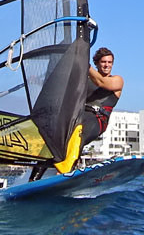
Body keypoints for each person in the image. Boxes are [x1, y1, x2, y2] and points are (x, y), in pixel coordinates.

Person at [27, 47, 122, 181]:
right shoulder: (85, 80)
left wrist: (85, 65)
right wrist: (36, 80)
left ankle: (65, 173)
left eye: (109, 62)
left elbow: (100, 82)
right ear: (97, 63)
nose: (107, 65)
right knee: (51, 139)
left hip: (97, 119)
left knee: (79, 132)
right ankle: (33, 180)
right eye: (103, 62)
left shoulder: (117, 80)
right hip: (78, 115)